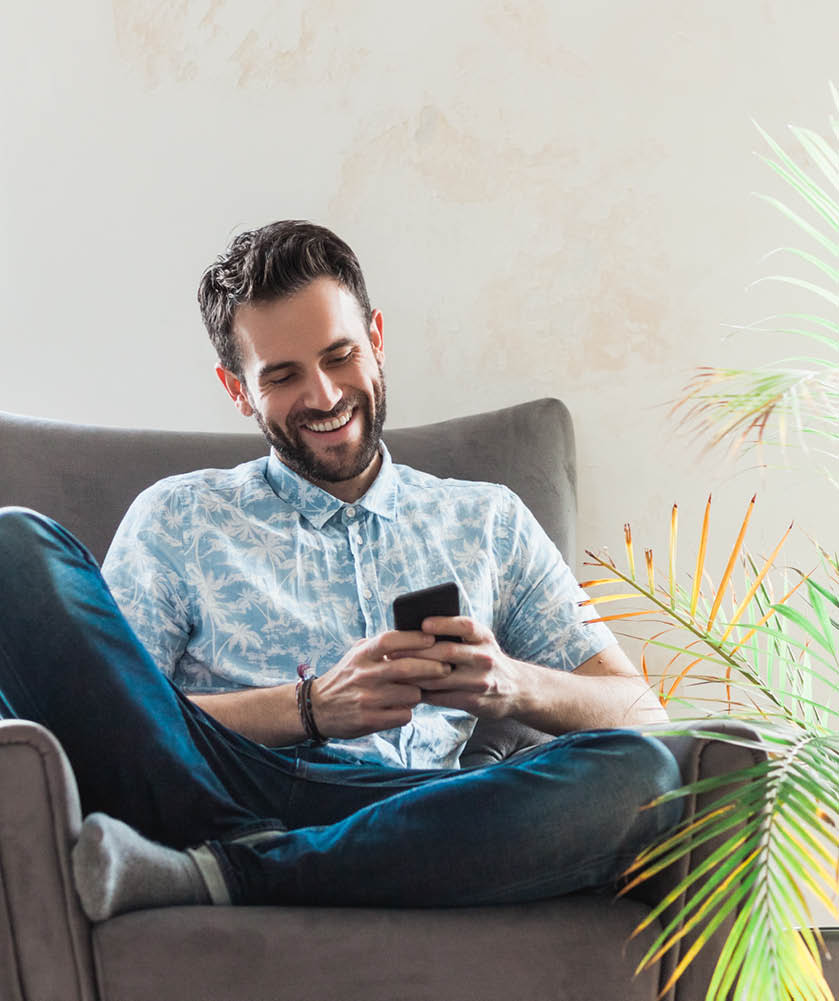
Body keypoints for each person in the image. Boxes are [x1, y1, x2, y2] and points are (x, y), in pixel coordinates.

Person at [0, 220, 681, 921]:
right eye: (283, 375)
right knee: (13, 543)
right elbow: (111, 716)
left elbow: (639, 713)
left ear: (377, 341)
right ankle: (242, 858)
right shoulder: (178, 516)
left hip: (419, 807)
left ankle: (226, 873)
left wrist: (513, 684)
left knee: (643, 775)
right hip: (227, 788)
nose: (324, 396)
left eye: (339, 355)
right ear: (237, 389)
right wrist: (310, 708)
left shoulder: (488, 520)